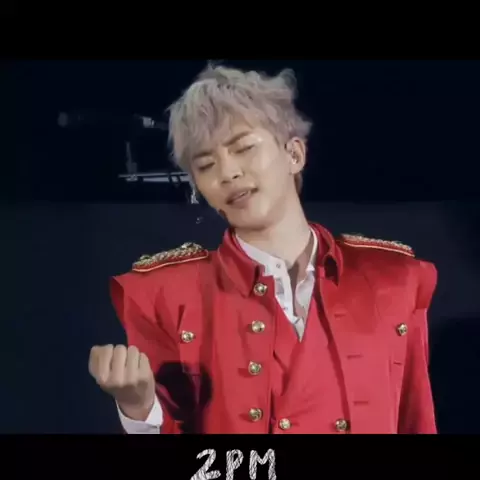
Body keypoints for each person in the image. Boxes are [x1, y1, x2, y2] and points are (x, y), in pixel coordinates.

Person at [88, 63, 438, 434]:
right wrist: (139, 409)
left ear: (294, 154)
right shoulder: (166, 294)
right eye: (205, 165)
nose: (228, 173)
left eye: (244, 149)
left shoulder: (391, 279)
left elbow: (415, 418)